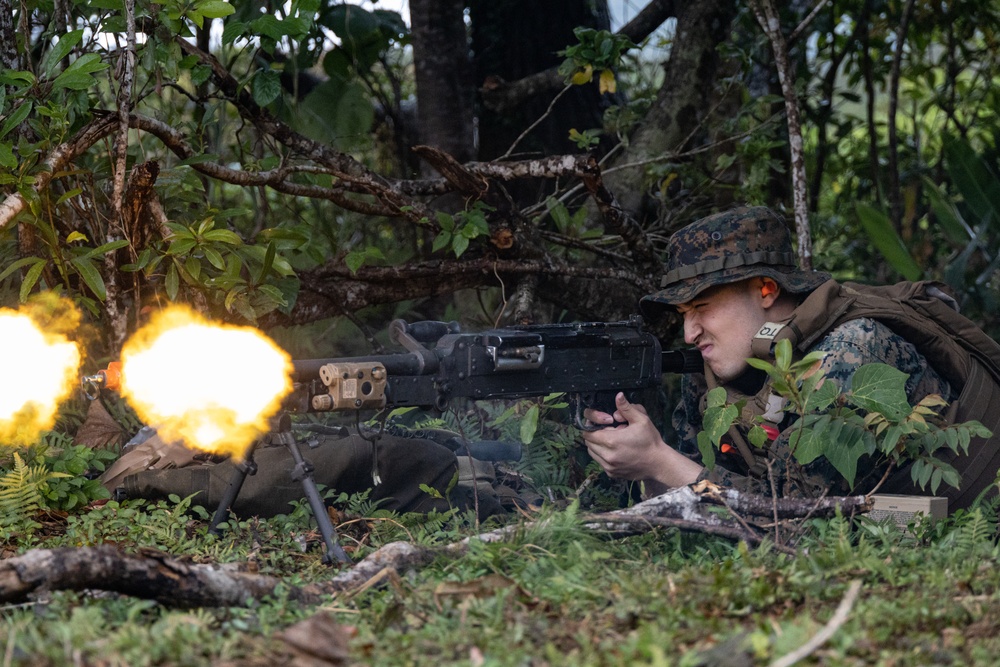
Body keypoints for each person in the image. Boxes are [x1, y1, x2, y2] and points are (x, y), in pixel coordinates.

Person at [581, 206, 957, 501]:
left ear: (766, 290)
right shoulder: (715, 372)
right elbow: (695, 506)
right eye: (682, 314)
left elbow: (795, 519)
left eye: (702, 307)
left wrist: (660, 459)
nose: (689, 332)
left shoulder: (848, 352)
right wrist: (645, 465)